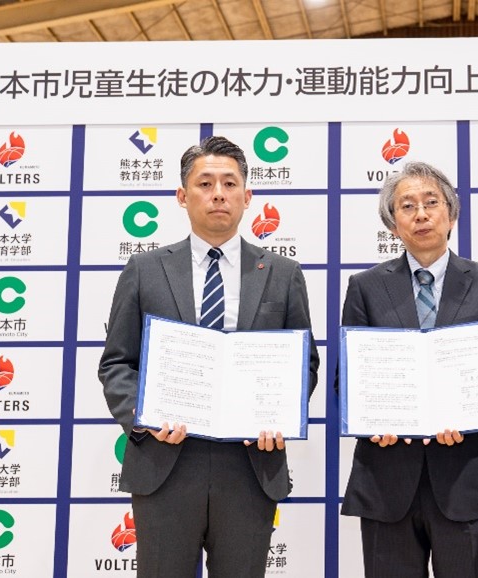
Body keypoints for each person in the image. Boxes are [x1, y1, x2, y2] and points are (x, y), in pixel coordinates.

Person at [99, 136, 319, 577]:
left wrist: (277, 414)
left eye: (229, 183)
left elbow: (304, 363)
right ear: (182, 196)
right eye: (205, 183)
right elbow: (117, 363)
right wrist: (144, 416)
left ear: (247, 196)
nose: (218, 193)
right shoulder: (145, 270)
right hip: (164, 462)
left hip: (250, 464)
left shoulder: (283, 273)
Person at [338, 161, 478, 578]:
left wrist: (470, 414)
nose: (420, 214)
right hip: (386, 477)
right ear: (393, 224)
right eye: (407, 206)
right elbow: (347, 377)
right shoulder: (365, 287)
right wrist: (374, 420)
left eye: (431, 203)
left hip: (468, 476)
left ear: (451, 215)